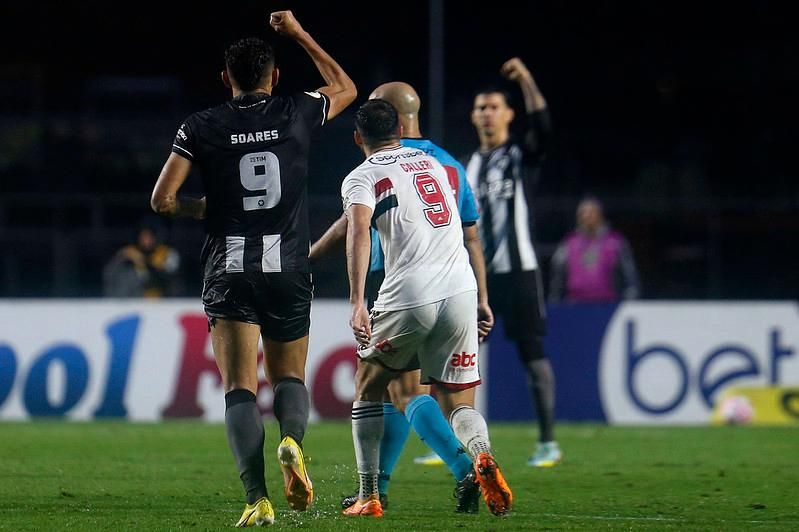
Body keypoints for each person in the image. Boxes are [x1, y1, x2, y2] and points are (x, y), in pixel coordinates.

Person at [150, 10, 356, 527]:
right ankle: (291, 441)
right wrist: (299, 33)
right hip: (287, 265)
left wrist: (209, 209)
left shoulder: (199, 126)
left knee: (240, 387)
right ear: (275, 76)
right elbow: (345, 86)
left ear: (226, 79)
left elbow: (163, 200)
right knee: (289, 377)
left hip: (230, 268)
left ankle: (256, 499)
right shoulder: (296, 113)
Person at [310, 81, 491, 513]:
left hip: (401, 283)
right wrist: (483, 296)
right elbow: (471, 235)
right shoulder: (443, 164)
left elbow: (353, 227)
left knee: (387, 388)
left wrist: (343, 288)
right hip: (460, 285)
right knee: (450, 396)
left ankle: (376, 490)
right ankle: (480, 455)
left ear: (360, 135)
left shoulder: (366, 173)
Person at [466, 57, 562, 467]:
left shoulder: (520, 157)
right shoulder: (468, 164)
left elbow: (543, 128)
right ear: (473, 116)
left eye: (493, 107)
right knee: (457, 357)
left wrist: (526, 78)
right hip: (476, 277)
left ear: (507, 114)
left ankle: (547, 442)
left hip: (519, 272)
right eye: (480, 107)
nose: (486, 113)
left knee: (532, 355)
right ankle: (458, 443)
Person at [549, 196, 640, 302]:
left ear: (600, 215)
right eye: (583, 213)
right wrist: (554, 301)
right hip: (574, 305)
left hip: (608, 304)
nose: (587, 216)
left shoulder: (615, 242)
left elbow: (630, 274)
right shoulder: (569, 243)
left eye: (591, 212)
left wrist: (630, 299)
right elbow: (557, 277)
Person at [103, 216, 182, 298]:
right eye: (142, 236)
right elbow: (108, 274)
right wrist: (121, 259)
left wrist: (144, 262)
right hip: (135, 299)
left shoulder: (167, 253)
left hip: (163, 301)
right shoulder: (131, 252)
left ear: (156, 236)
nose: (145, 240)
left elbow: (169, 278)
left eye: (149, 236)